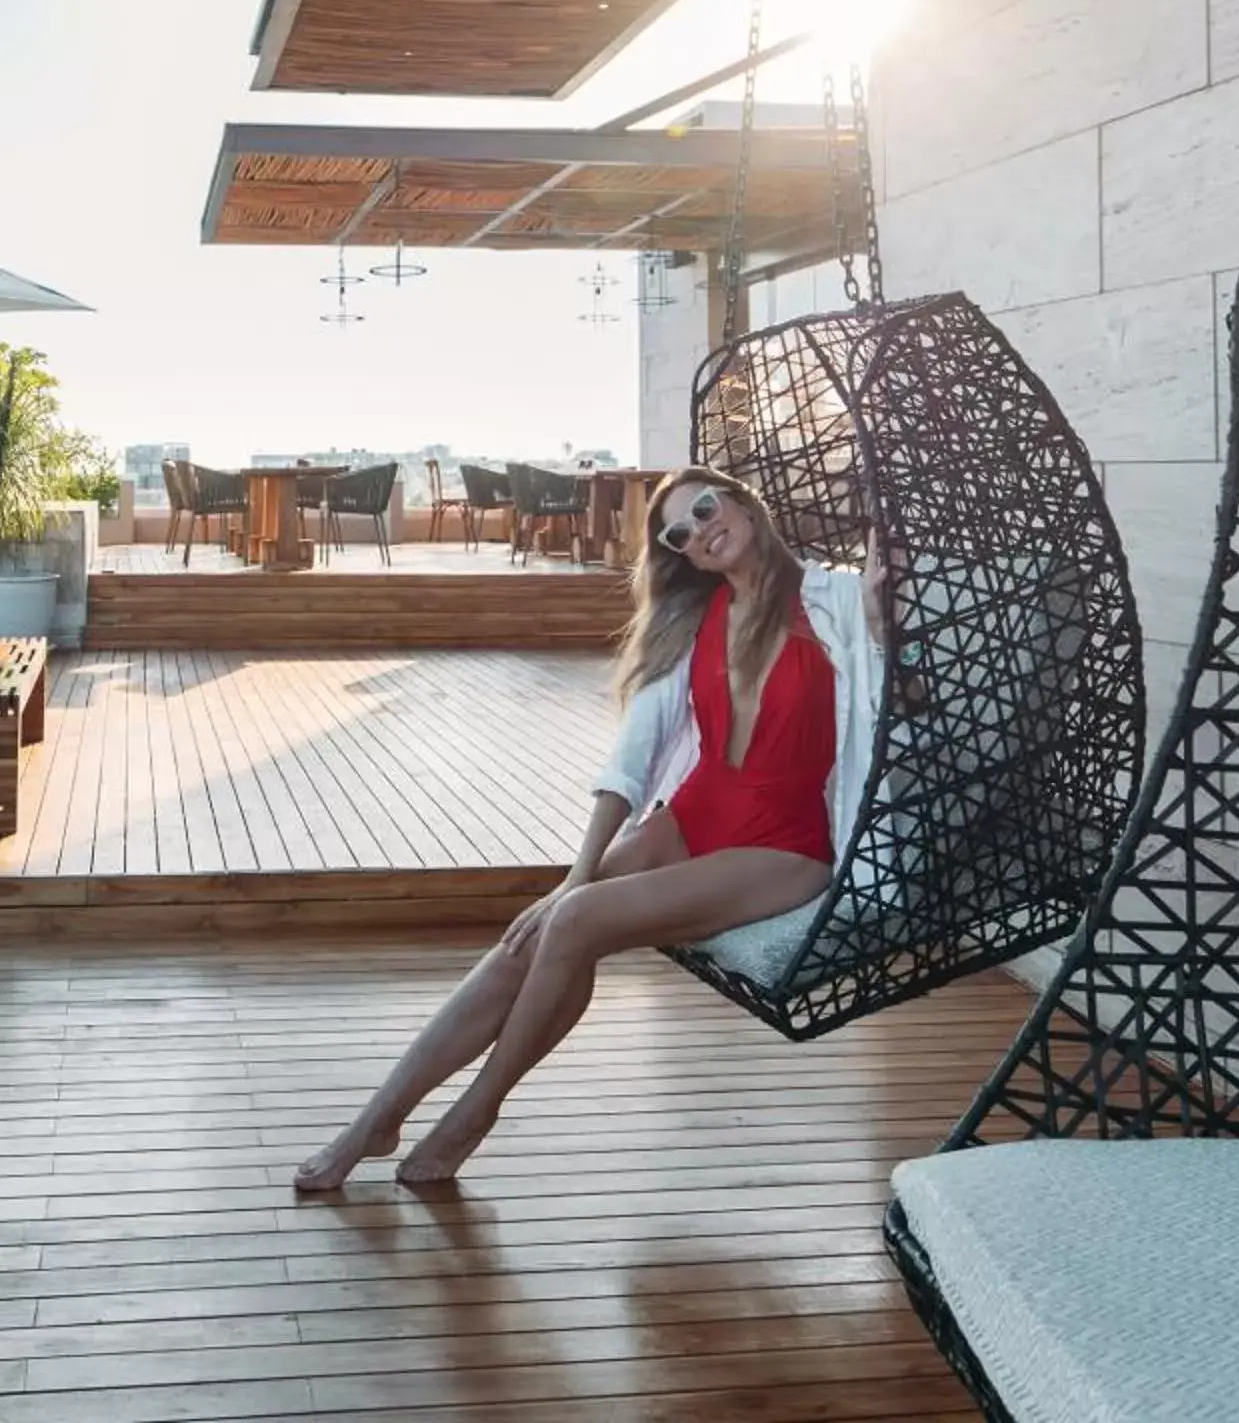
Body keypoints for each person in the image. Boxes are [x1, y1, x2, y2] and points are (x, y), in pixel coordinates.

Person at [294, 466, 887, 1189]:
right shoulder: (696, 618)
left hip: (784, 843)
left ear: (740, 502)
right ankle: (378, 1118)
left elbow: (897, 697)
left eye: (704, 509)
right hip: (699, 810)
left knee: (575, 921)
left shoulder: (839, 602)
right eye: (680, 533)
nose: (699, 531)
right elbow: (634, 754)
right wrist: (574, 874)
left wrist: (885, 624)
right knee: (540, 929)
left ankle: (475, 1113)